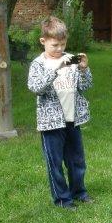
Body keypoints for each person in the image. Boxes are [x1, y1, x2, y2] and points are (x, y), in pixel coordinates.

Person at [27, 16, 93, 209]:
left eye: (63, 44)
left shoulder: (69, 59)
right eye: (54, 45)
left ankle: (79, 191)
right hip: (51, 123)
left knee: (77, 160)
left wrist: (83, 69)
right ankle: (63, 199)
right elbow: (35, 87)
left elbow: (86, 86)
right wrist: (56, 69)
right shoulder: (38, 64)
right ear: (43, 41)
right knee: (54, 163)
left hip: (72, 119)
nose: (59, 49)